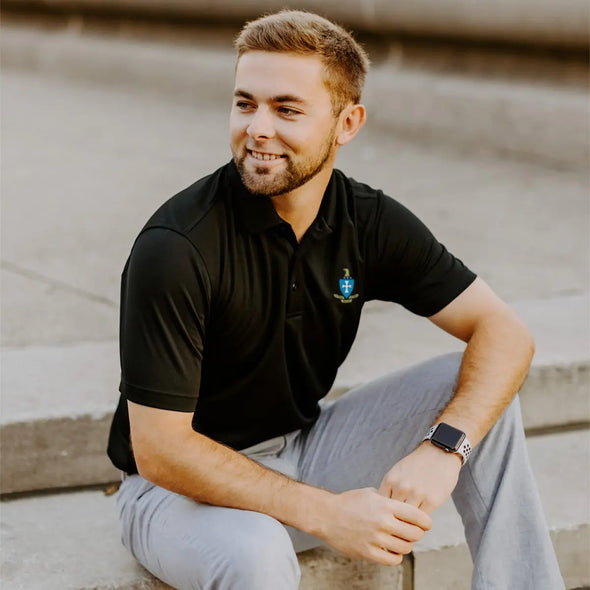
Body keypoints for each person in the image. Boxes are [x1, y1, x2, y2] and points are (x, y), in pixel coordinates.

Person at [107, 10, 564, 590]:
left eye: (287, 109)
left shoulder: (366, 220)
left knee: (475, 387)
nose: (258, 128)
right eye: (245, 104)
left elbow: (505, 332)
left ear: (348, 123)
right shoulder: (178, 247)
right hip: (173, 494)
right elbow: (161, 451)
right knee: (256, 555)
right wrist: (328, 513)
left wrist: (444, 449)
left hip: (305, 450)